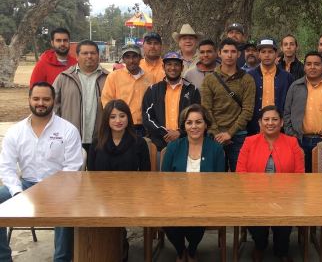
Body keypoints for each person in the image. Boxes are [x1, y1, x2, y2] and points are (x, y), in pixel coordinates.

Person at [0, 82, 83, 262]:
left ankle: (61, 259)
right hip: (25, 186)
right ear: (29, 99)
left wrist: (56, 191)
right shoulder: (16, 132)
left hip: (59, 187)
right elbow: (6, 167)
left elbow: (73, 167)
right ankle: (3, 258)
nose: (41, 103)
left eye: (46, 99)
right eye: (36, 98)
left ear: (54, 101)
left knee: (66, 206)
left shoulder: (67, 130)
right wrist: (17, 192)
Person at [236, 105, 304, 262]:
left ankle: (282, 250)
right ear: (260, 122)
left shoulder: (292, 142)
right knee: (257, 221)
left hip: (286, 196)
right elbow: (240, 173)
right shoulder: (249, 142)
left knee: (284, 221)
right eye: (266, 119)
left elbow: (300, 175)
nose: (270, 123)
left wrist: (286, 194)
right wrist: (255, 194)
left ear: (281, 123)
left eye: (274, 119)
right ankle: (260, 245)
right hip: (255, 195)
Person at [87, 99, 150, 261]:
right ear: (106, 120)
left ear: (128, 118)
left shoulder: (139, 143)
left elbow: (146, 175)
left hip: (130, 196)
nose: (118, 121)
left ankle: (119, 247)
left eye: (122, 116)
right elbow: (91, 175)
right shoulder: (96, 143)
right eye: (113, 117)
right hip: (102, 197)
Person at [161, 104, 225, 262]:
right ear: (184, 125)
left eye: (198, 122)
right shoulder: (173, 147)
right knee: (166, 220)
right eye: (189, 123)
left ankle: (192, 250)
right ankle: (181, 250)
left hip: (205, 201)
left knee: (197, 219)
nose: (194, 126)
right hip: (176, 200)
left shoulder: (216, 149)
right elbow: (163, 181)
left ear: (206, 124)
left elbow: (219, 182)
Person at [284, 51, 322, 172]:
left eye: (316, 64)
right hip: (299, 141)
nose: (312, 67)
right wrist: (292, 136)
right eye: (308, 64)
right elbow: (287, 113)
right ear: (304, 67)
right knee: (301, 178)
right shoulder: (295, 87)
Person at [200, 38, 255, 171]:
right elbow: (206, 109)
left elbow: (248, 110)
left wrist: (230, 133)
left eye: (233, 52)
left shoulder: (247, 79)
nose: (229, 55)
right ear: (219, 53)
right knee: (214, 178)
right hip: (214, 135)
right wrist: (216, 133)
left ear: (239, 54)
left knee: (240, 177)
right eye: (225, 51)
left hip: (239, 135)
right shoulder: (209, 79)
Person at [53, 40, 109, 153]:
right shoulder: (64, 78)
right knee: (74, 171)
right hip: (70, 139)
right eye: (85, 53)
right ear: (77, 56)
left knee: (98, 171)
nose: (89, 56)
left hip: (101, 140)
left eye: (93, 53)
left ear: (98, 55)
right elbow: (53, 107)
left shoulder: (109, 78)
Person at [143, 51, 201, 152]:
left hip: (186, 143)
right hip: (159, 144)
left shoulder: (192, 90)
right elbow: (147, 117)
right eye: (169, 64)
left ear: (182, 68)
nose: (173, 68)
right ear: (163, 67)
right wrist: (164, 133)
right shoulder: (153, 90)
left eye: (176, 65)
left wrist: (180, 132)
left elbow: (197, 116)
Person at [101, 44, 152, 137]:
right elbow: (107, 101)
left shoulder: (150, 78)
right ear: (123, 59)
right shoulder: (113, 77)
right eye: (127, 57)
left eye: (134, 56)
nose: (131, 61)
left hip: (145, 128)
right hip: (121, 126)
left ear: (140, 58)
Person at [247, 38, 293, 135]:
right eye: (263, 52)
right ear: (259, 55)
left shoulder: (287, 77)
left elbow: (290, 104)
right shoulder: (250, 76)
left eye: (270, 52)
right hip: (255, 128)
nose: (267, 55)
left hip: (280, 129)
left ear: (276, 54)